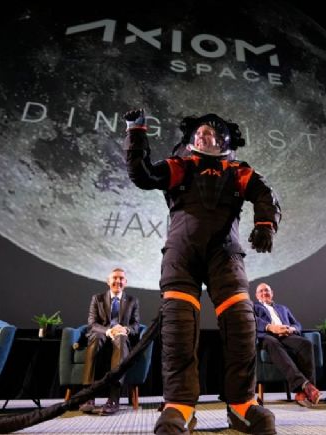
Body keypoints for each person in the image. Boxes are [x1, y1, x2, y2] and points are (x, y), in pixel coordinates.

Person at [124, 109, 281, 434]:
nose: (204, 136)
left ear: (225, 140)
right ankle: (180, 405)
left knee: (241, 324)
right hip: (182, 254)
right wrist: (136, 133)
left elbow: (265, 195)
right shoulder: (180, 166)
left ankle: (242, 405)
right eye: (200, 133)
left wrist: (265, 223)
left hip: (226, 255)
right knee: (178, 326)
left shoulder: (238, 171)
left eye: (211, 133)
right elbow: (143, 176)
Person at [76, 267, 140, 416]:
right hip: (103, 334)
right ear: (108, 281)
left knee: (121, 338)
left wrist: (125, 329)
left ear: (126, 282)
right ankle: (89, 397)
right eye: (114, 278)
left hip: (121, 336)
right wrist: (108, 331)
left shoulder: (133, 301)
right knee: (96, 337)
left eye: (121, 278)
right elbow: (92, 324)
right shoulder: (97, 299)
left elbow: (136, 325)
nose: (118, 281)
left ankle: (113, 399)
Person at [253, 282, 320, 407]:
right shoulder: (254, 307)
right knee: (273, 342)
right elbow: (253, 320)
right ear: (257, 296)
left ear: (272, 293)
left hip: (286, 335)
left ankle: (304, 393)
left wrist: (291, 329)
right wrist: (271, 327)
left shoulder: (282, 308)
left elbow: (297, 324)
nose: (264, 293)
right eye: (261, 291)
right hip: (267, 336)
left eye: (266, 290)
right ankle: (305, 386)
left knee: (306, 344)